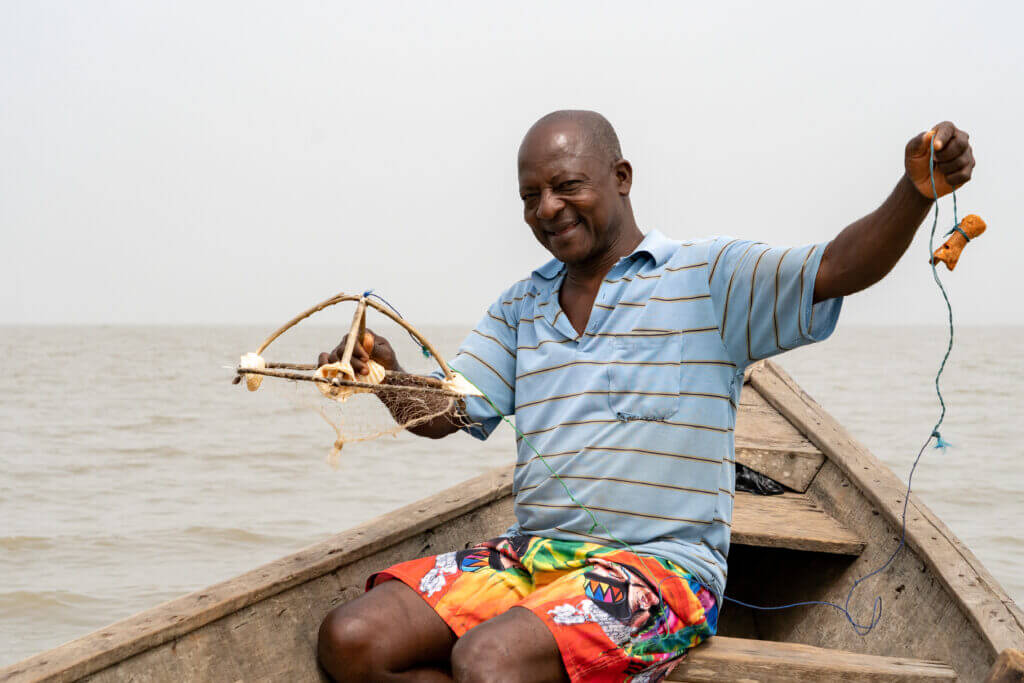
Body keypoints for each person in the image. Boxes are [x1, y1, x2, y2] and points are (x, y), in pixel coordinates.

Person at [315, 110, 975, 682]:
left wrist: (914, 194)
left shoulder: (707, 276)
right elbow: (451, 412)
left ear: (621, 178)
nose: (547, 208)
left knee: (490, 662)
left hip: (665, 574)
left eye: (567, 185)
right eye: (530, 195)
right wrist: (384, 375)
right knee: (350, 641)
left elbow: (836, 267)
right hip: (534, 557)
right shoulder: (520, 307)